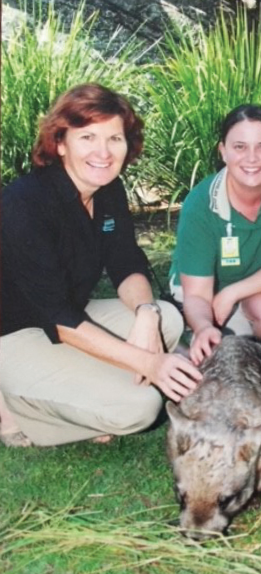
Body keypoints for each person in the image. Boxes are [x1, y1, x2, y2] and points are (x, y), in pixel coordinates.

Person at [0, 83, 202, 448]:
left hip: (68, 319)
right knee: (140, 408)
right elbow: (60, 317)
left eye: (115, 138)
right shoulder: (24, 203)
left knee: (167, 318)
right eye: (88, 136)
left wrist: (145, 313)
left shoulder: (108, 190)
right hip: (14, 334)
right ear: (60, 143)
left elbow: (127, 262)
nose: (103, 152)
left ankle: (83, 389)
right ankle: (14, 406)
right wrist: (149, 364)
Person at [169, 104, 261, 365]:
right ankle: (184, 343)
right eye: (239, 147)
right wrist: (204, 327)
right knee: (221, 356)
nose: (252, 158)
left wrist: (233, 293)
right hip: (204, 290)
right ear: (223, 151)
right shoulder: (200, 204)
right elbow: (197, 295)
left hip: (258, 284)